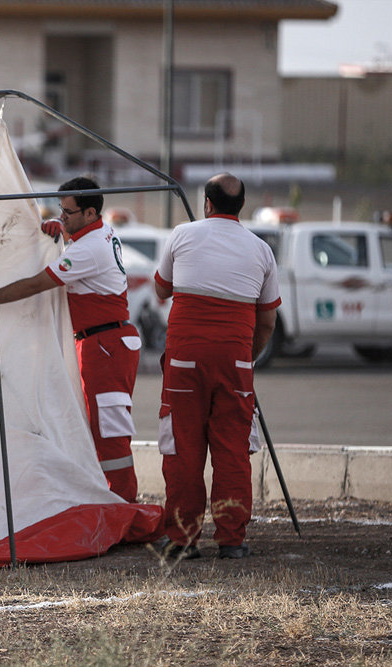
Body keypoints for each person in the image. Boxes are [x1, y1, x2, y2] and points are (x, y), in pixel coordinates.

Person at [0, 176, 142, 502]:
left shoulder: (90, 249)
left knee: (110, 434)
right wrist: (62, 230)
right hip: (104, 340)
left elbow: (36, 284)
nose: (62, 216)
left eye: (67, 212)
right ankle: (116, 503)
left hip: (106, 345)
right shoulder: (96, 233)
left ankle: (125, 508)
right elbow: (76, 244)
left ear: (90, 212)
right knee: (98, 428)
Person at [152, 173, 280, 560]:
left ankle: (182, 539)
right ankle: (232, 541)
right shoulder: (261, 250)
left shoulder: (182, 235)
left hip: (184, 361)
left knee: (183, 450)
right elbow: (268, 321)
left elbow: (161, 289)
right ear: (240, 206)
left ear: (206, 203)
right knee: (232, 451)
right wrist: (247, 358)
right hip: (235, 363)